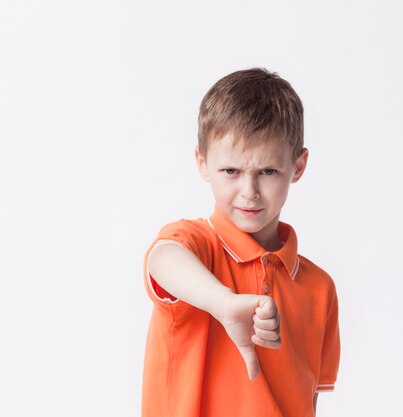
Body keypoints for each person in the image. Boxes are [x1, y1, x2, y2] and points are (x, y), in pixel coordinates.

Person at [141, 68, 340, 417]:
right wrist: (223, 303)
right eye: (231, 171)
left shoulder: (320, 288)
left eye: (267, 171)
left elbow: (308, 402)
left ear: (298, 165)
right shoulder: (196, 246)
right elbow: (163, 258)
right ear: (203, 162)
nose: (249, 191)